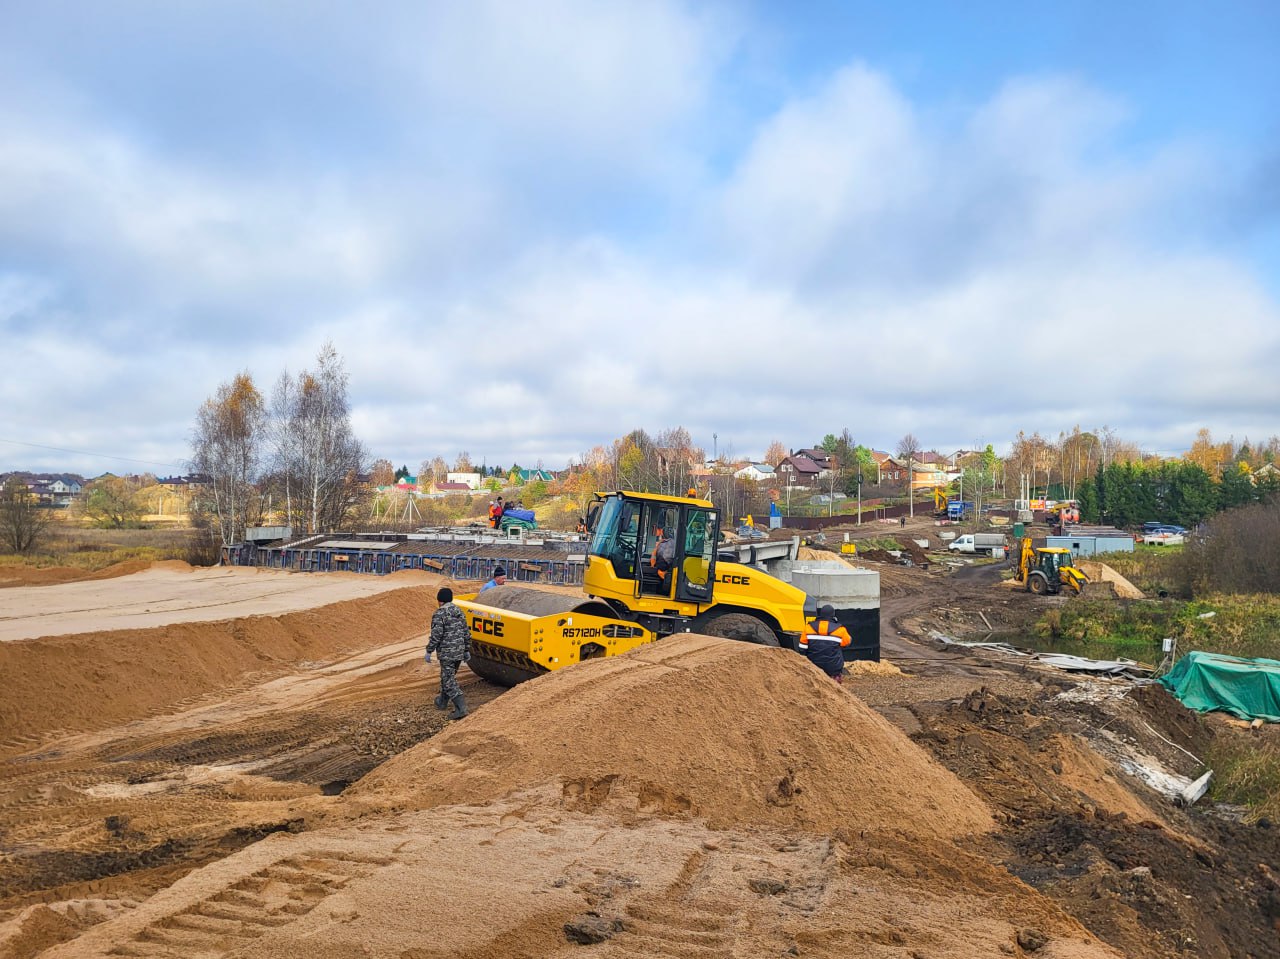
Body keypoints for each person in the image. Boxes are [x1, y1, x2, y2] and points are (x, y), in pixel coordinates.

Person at [424, 587, 472, 718]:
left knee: (448, 680)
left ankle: (461, 708)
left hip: (447, 653)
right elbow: (466, 632)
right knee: (448, 676)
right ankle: (442, 701)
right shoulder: (459, 611)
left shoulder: (440, 613)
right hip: (459, 652)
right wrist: (466, 649)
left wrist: (429, 650)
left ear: (439, 601)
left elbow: (436, 635)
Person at [799, 604, 852, 682]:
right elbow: (848, 642)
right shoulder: (840, 630)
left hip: (813, 666)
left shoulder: (808, 628)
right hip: (833, 668)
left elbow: (802, 648)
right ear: (833, 616)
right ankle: (836, 680)